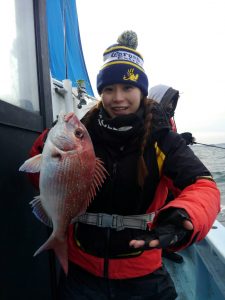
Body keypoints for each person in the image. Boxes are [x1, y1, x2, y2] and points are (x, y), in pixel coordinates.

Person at [28, 31, 220, 299]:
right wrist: (47, 143)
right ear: (101, 92)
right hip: (82, 271)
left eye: (127, 88)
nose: (118, 97)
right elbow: (42, 180)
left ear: (141, 91)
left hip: (143, 274)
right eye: (108, 89)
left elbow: (204, 187)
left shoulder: (162, 139)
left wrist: (185, 216)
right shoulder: (84, 132)